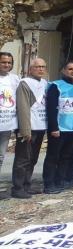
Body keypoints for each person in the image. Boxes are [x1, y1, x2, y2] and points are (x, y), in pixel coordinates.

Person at [43, 61, 73, 193]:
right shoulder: (56, 86)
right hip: (59, 129)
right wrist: (53, 128)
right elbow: (51, 109)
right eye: (70, 69)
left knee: (66, 156)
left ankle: (60, 180)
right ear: (64, 70)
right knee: (53, 157)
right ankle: (49, 183)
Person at [11, 58, 49, 199]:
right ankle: (18, 187)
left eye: (43, 66)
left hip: (40, 126)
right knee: (23, 159)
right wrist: (25, 130)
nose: (40, 69)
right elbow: (22, 107)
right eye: (37, 66)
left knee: (33, 158)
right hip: (28, 128)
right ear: (31, 69)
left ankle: (27, 184)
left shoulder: (45, 83)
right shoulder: (25, 83)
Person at [0, 51, 21, 197]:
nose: (7, 65)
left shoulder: (15, 79)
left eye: (9, 62)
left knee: (1, 156)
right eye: (3, 62)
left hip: (6, 124)